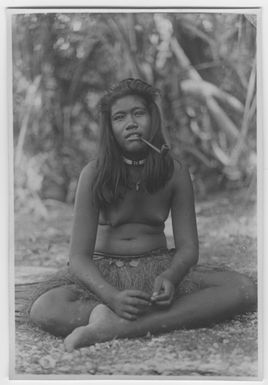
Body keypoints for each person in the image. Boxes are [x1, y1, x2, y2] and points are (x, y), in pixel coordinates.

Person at [29, 78, 257, 352]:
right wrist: (110, 297)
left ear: (153, 118)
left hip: (159, 268)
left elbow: (188, 248)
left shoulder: (175, 173)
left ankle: (115, 327)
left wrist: (172, 276)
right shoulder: (93, 174)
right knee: (45, 308)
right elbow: (77, 257)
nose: (131, 123)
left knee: (242, 289)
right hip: (103, 276)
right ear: (110, 129)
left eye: (139, 113)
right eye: (120, 117)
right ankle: (126, 317)